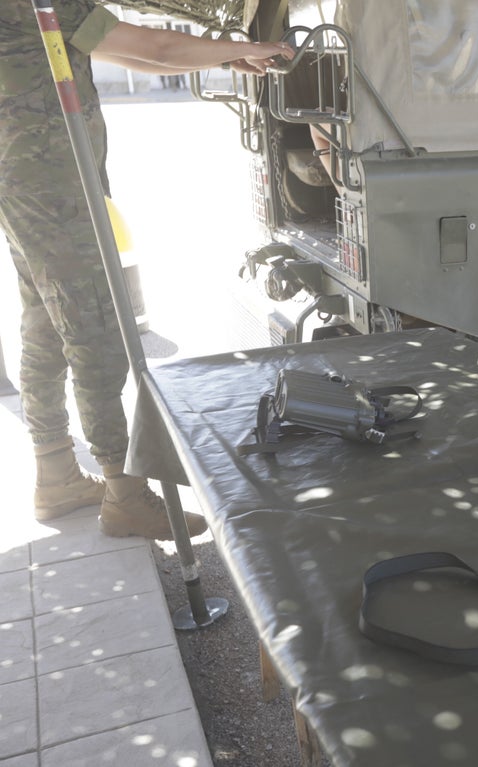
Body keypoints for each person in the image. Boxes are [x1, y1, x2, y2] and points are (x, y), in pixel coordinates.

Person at [1, 1, 293, 538]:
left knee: (44, 324)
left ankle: (57, 475)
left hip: (26, 181)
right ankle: (124, 492)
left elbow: (132, 55)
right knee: (96, 331)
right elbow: (151, 46)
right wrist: (248, 48)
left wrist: (227, 58)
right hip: (59, 187)